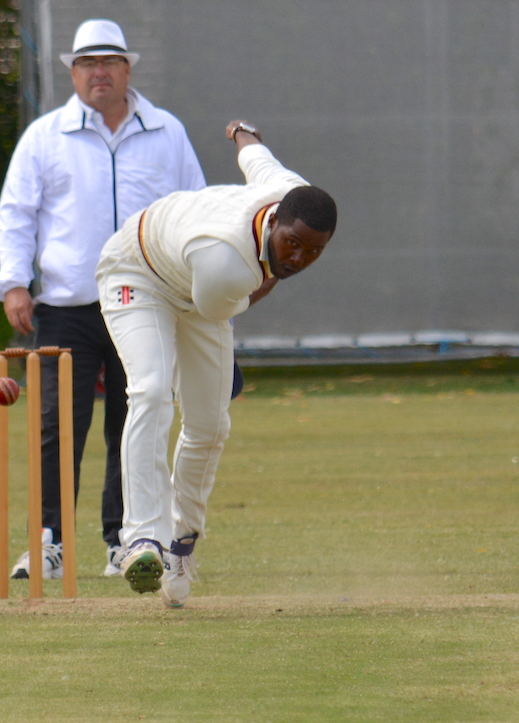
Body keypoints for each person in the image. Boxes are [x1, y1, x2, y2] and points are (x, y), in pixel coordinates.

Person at [0, 18, 207, 578]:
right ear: (73, 73)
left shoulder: (166, 132)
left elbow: (195, 209)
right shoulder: (45, 136)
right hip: (67, 304)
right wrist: (14, 281)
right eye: (87, 63)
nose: (98, 72)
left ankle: (125, 540)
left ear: (127, 68)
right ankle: (49, 541)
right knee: (58, 425)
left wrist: (193, 286)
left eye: (108, 61)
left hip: (145, 300)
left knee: (134, 419)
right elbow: (17, 213)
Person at [98, 120, 338, 607]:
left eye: (313, 251)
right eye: (292, 242)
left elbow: (257, 158)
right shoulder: (229, 259)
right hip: (139, 272)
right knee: (149, 390)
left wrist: (241, 133)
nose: (298, 257)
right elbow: (218, 307)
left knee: (210, 425)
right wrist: (272, 276)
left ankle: (181, 542)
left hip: (199, 288)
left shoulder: (289, 191)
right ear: (274, 222)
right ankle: (141, 539)